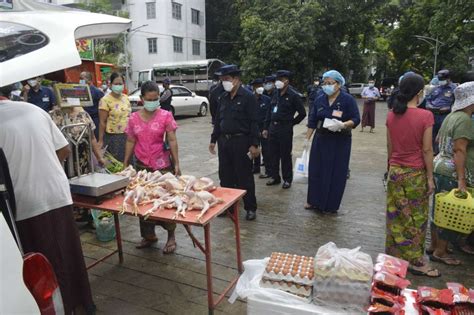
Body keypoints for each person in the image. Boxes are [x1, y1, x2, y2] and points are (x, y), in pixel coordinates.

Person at [0, 84, 95, 314]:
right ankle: (82, 304)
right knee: (69, 252)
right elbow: (63, 150)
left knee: (40, 261)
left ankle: (57, 308)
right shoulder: (34, 110)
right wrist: (46, 168)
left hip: (25, 201)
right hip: (57, 192)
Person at [385, 73, 440, 277]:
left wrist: (389, 168)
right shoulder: (425, 116)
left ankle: (393, 257)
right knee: (416, 220)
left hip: (395, 172)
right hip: (415, 174)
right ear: (419, 92)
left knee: (395, 217)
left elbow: (390, 146)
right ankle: (415, 261)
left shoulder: (392, 114)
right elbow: (427, 150)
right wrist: (429, 177)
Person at [124, 81, 179, 252]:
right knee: (143, 202)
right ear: (142, 99)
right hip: (142, 167)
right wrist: (125, 163)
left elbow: (172, 140)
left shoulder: (165, 115)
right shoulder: (133, 118)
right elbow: (131, 140)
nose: (153, 102)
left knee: (165, 201)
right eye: (150, 99)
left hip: (162, 167)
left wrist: (177, 163)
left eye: (156, 99)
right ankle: (149, 236)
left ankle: (171, 237)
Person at [428, 81, 474, 265]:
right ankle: (441, 252)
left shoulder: (451, 116)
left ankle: (434, 245)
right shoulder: (464, 120)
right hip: (451, 171)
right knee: (451, 211)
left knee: (438, 209)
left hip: (439, 165)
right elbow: (459, 150)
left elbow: (439, 139)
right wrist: (461, 179)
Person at [304, 70, 360, 213]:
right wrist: (307, 139)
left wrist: (343, 124)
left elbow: (356, 119)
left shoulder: (347, 100)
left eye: (330, 83)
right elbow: (312, 120)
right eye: (325, 83)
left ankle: (330, 204)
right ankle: (313, 200)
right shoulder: (319, 99)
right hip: (321, 139)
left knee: (336, 172)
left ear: (339, 84)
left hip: (339, 141)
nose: (326, 86)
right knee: (317, 170)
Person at [209, 65, 260, 221]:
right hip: (224, 142)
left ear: (236, 79)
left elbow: (254, 122)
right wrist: (213, 139)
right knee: (225, 176)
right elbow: (218, 120)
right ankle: (228, 207)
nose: (223, 83)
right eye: (222, 80)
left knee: (244, 176)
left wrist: (254, 144)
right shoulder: (223, 97)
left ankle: (250, 207)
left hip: (241, 142)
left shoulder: (248, 97)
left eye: (226, 79)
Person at [263, 70, 306, 189]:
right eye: (277, 80)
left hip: (285, 129)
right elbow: (269, 111)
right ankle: (275, 176)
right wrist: (266, 127)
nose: (277, 82)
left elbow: (302, 113)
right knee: (273, 154)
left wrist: (291, 123)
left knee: (285, 155)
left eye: (280, 80)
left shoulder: (293, 95)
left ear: (286, 81)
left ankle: (287, 179)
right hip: (272, 127)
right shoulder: (275, 94)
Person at [98, 72, 131, 162]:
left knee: (129, 165)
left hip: (128, 137)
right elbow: (102, 122)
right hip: (113, 138)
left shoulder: (126, 98)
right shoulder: (105, 100)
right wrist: (100, 140)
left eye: (120, 84)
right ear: (110, 84)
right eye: (116, 84)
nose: (118, 86)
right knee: (117, 166)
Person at [426, 69, 457, 155]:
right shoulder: (436, 88)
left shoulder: (454, 89)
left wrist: (449, 108)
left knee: (443, 136)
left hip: (445, 116)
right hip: (433, 114)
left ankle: (441, 153)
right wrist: (429, 106)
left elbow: (457, 103)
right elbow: (428, 100)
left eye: (443, 80)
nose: (441, 82)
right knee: (431, 135)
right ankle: (432, 153)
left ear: (449, 78)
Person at [251, 78, 271, 177]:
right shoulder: (250, 99)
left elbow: (269, 115)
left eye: (261, 86)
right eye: (258, 86)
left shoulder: (267, 99)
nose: (260, 88)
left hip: (264, 129)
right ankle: (256, 167)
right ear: (254, 88)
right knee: (255, 147)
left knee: (266, 150)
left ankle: (268, 170)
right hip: (254, 128)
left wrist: (265, 128)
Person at [80, 71, 104, 139]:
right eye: (80, 78)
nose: (80, 81)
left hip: (95, 119)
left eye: (82, 78)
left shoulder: (97, 92)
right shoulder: (80, 91)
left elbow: (103, 107)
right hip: (84, 119)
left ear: (89, 80)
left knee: (95, 138)